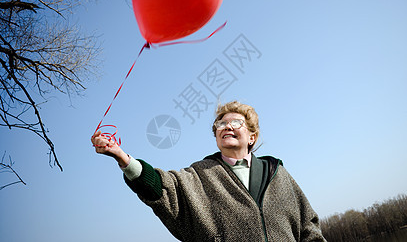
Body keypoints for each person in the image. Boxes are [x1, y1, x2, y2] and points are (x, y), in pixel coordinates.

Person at [91, 101, 326, 242]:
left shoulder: (278, 173)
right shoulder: (200, 175)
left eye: (236, 123)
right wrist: (122, 157)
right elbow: (159, 187)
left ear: (252, 137)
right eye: (221, 124)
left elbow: (309, 226)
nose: (227, 127)